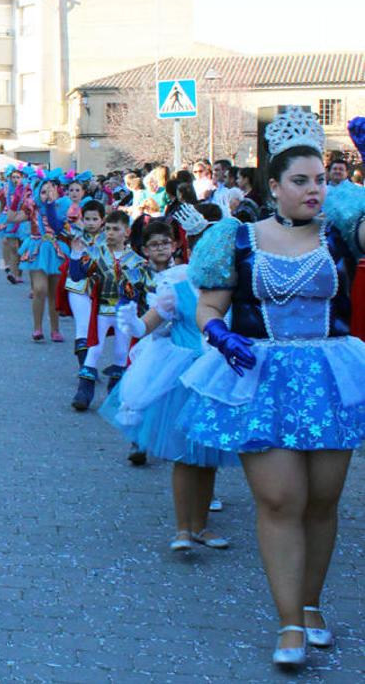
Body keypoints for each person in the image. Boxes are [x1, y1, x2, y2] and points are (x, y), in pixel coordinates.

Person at [177, 109, 365, 669]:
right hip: (261, 378)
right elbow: (210, 303)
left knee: (322, 502)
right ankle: (288, 622)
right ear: (276, 187)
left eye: (321, 180)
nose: (314, 189)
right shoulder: (233, 238)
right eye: (301, 181)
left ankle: (311, 605)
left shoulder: (343, 232)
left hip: (331, 378)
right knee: (281, 499)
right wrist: (217, 333)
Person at [100, 203, 236, 548]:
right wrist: (131, 322)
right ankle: (182, 529)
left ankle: (202, 527)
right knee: (184, 455)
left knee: (207, 457)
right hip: (184, 377)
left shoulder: (232, 289)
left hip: (217, 375)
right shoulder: (178, 285)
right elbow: (149, 324)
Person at [68, 209, 146, 411]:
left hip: (124, 314)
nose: (110, 232)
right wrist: (76, 254)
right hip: (102, 310)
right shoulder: (96, 253)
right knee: (94, 349)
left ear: (126, 232)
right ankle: (84, 393)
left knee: (121, 352)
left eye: (116, 229)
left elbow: (143, 290)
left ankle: (115, 394)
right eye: (108, 228)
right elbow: (77, 275)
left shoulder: (136, 261)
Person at [18, 175, 69, 342]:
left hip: (55, 250)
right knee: (40, 289)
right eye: (43, 191)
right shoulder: (32, 208)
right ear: (37, 193)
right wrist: (14, 197)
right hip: (37, 250)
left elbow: (58, 227)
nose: (47, 194)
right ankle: (37, 328)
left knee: (54, 292)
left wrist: (51, 205)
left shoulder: (61, 207)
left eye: (50, 190)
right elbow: (12, 218)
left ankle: (55, 329)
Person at [63, 200, 107, 367]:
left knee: (99, 329)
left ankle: (94, 364)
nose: (90, 223)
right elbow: (75, 273)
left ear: (102, 220)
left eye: (95, 219)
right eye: (87, 219)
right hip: (79, 286)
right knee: (83, 326)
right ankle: (85, 367)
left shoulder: (109, 238)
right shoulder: (76, 235)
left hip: (102, 289)